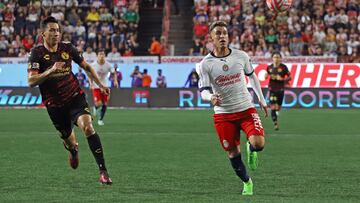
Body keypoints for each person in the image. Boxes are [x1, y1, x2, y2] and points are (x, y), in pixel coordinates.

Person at [27, 17, 112, 184]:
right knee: (69, 141)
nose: (56, 33)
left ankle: (103, 172)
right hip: (55, 106)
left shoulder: (67, 48)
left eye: (58, 30)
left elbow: (86, 66)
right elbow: (31, 81)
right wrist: (50, 71)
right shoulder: (36, 53)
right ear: (43, 33)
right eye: (52, 30)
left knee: (88, 127)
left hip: (75, 97)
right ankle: (73, 150)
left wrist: (100, 84)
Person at [196, 21, 268, 195]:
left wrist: (261, 99)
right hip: (224, 114)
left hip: (246, 109)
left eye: (225, 33)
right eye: (218, 33)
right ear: (211, 38)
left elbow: (252, 77)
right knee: (232, 153)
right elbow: (203, 90)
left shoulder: (241, 56)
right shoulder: (205, 64)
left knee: (258, 144)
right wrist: (210, 97)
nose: (222, 36)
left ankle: (251, 148)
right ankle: (247, 182)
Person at [90, 49, 118, 126]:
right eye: (100, 54)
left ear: (105, 56)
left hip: (105, 86)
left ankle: (100, 120)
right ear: (97, 56)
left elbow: (114, 72)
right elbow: (90, 75)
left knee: (105, 103)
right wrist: (91, 83)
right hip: (96, 86)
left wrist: (115, 81)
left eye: (103, 54)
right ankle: (95, 107)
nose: (101, 56)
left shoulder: (108, 65)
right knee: (99, 103)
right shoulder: (93, 65)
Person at [265, 52, 291, 130]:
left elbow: (290, 77)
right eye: (275, 57)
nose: (276, 59)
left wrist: (283, 79)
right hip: (272, 88)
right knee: (273, 106)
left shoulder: (284, 67)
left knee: (278, 107)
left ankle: (277, 111)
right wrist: (266, 76)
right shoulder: (269, 67)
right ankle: (275, 123)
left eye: (278, 57)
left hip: (280, 89)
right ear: (272, 58)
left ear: (280, 58)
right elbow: (266, 76)